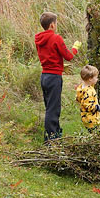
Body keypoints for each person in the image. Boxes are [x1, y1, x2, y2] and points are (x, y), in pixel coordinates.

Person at [34, 10, 80, 142]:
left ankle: (55, 135)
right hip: (54, 78)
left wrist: (60, 66)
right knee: (53, 110)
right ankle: (51, 140)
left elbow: (49, 56)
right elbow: (69, 56)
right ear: (52, 25)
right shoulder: (56, 38)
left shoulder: (38, 38)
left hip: (45, 76)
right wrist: (75, 48)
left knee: (50, 107)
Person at [76, 64, 100, 130]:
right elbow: (88, 106)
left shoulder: (81, 88)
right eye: (96, 77)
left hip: (86, 117)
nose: (97, 79)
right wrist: (98, 108)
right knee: (96, 136)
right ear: (90, 79)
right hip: (91, 119)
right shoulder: (88, 91)